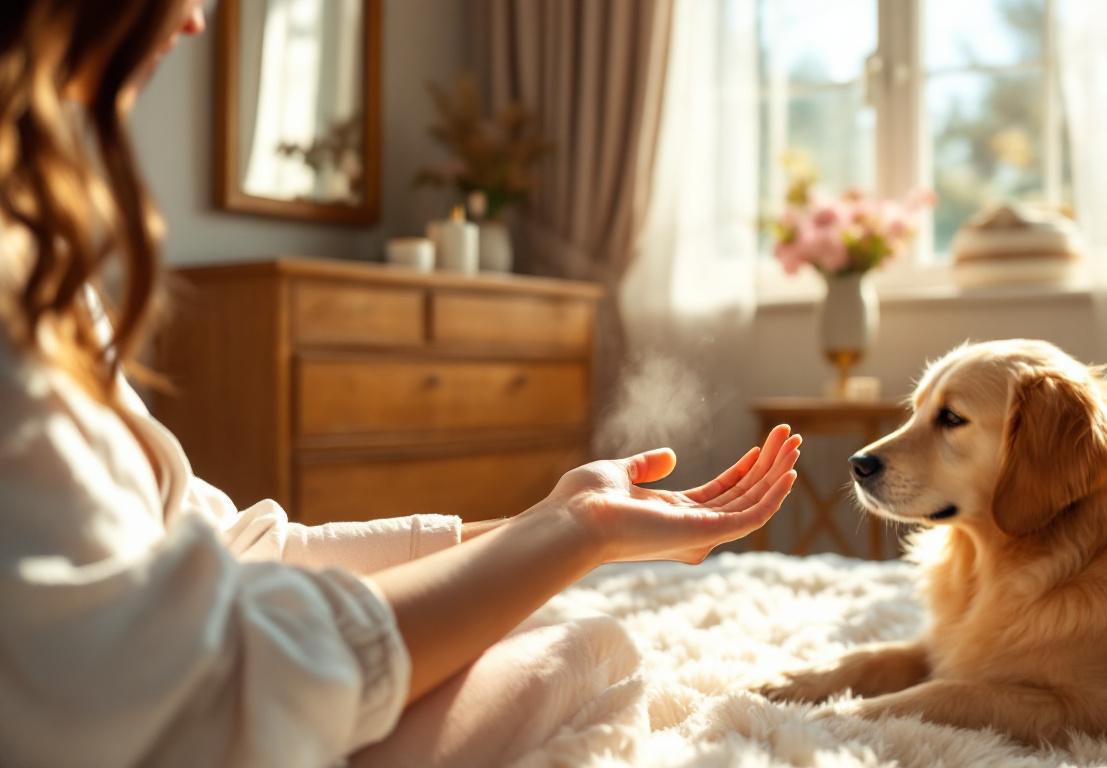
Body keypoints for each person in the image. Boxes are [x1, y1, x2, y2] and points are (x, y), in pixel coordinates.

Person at [0, 1, 801, 765]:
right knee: (592, 648)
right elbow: (211, 687)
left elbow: (248, 552)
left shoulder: (39, 272)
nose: (195, 20)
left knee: (543, 612)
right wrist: (579, 532)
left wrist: (551, 519)